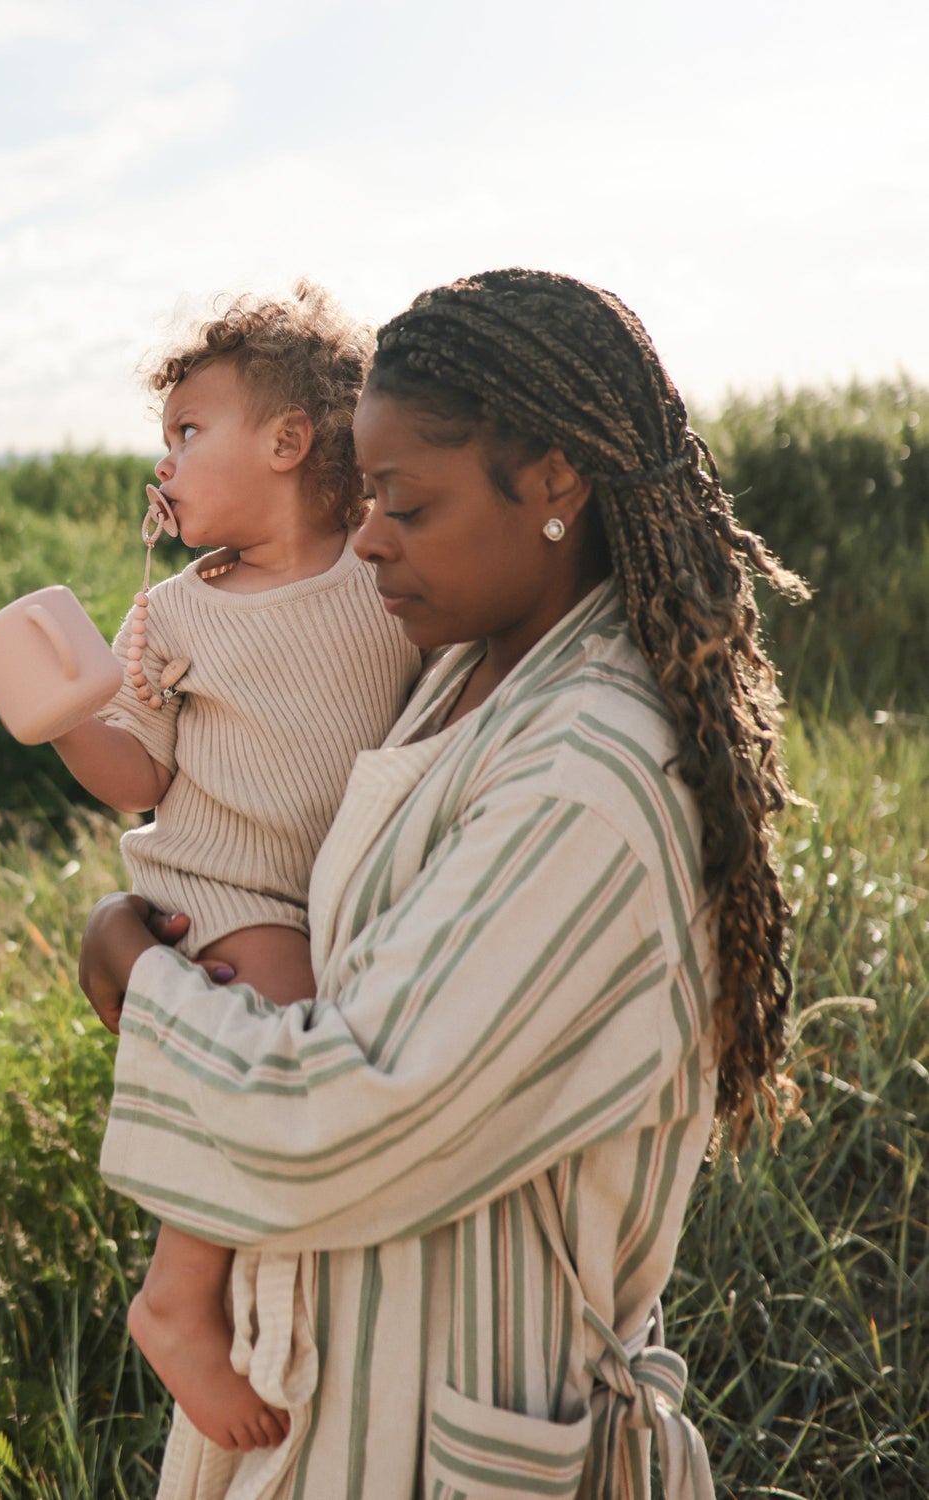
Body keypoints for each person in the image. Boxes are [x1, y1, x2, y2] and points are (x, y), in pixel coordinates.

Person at [79, 268, 807, 1499]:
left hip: (452, 1415)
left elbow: (351, 1111)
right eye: (364, 499)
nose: (365, 536)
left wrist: (136, 973)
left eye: (405, 504)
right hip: (342, 1378)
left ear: (556, 484)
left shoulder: (587, 773)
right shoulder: (463, 676)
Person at [49, 284, 422, 1449]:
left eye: (185, 434)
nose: (161, 464)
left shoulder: (386, 577)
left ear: (287, 442)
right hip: (222, 890)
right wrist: (65, 714)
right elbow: (136, 775)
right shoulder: (174, 613)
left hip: (337, 885)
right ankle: (180, 1296)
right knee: (281, 1011)